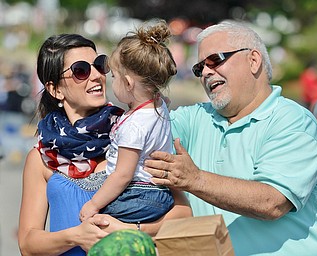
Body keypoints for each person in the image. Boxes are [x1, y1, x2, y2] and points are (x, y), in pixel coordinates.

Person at [144, 20, 317, 256]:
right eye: (199, 68)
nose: (206, 72)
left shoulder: (293, 121)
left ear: (254, 60)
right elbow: (140, 141)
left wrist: (194, 179)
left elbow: (273, 202)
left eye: (215, 60)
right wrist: (146, 106)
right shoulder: (195, 117)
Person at [18, 33, 191, 256]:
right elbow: (28, 244)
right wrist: (75, 236)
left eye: (100, 65)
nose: (97, 76)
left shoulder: (134, 134)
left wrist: (130, 230)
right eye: (81, 70)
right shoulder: (42, 157)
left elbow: (183, 213)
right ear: (55, 89)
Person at [80, 20, 176, 223]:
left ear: (128, 83)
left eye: (114, 76)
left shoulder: (135, 126)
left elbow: (123, 175)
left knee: (89, 209)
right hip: (158, 192)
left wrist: (93, 205)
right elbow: (161, 96)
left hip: (137, 194)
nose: (111, 81)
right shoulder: (158, 103)